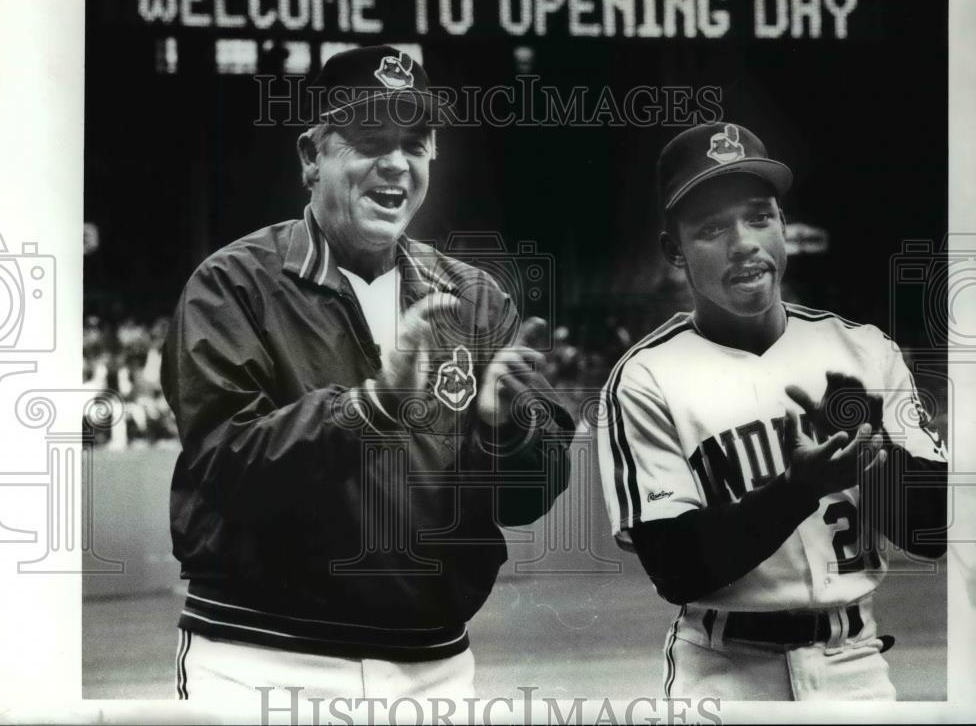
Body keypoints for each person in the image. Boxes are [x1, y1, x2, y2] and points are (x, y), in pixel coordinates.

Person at [162, 45, 574, 704]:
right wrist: (371, 406)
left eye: (415, 142)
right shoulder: (232, 284)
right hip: (263, 658)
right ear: (310, 156)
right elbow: (227, 464)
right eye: (368, 138)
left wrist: (505, 429)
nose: (395, 162)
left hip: (431, 666)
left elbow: (533, 492)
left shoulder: (474, 298)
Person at [596, 122, 947, 701]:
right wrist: (800, 488)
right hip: (723, 673)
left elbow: (932, 531)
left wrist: (872, 459)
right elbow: (677, 569)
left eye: (760, 217)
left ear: (783, 225)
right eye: (711, 227)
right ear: (673, 251)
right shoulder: (645, 378)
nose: (743, 244)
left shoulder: (863, 350)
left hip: (855, 667)